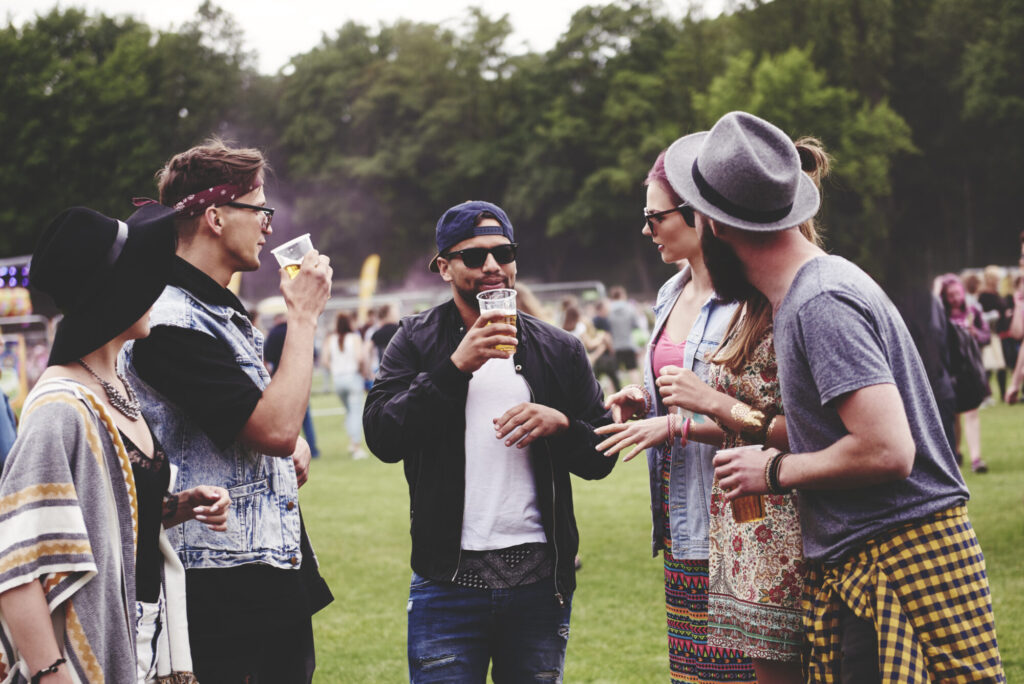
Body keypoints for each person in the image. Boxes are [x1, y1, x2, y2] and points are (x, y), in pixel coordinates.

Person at [676, 111, 1002, 681]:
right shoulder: (809, 293)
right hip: (869, 561)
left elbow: (887, 450)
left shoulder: (819, 301)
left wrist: (772, 470)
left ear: (716, 226)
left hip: (898, 564)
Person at [363, 200, 617, 683]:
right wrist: (455, 367)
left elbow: (601, 455)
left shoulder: (559, 348)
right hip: (447, 583)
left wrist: (562, 425)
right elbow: (382, 435)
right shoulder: (415, 339)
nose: (493, 267)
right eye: (474, 257)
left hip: (540, 586)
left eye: (503, 252)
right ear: (444, 267)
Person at [123, 138, 335, 683]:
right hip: (219, 591)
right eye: (259, 208)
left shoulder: (215, 310)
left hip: (263, 580)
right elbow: (274, 427)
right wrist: (304, 319)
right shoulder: (169, 322)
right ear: (216, 216)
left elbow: (268, 416)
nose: (269, 223)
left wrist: (298, 442)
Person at [0, 204, 230, 683]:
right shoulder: (60, 409)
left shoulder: (113, 385)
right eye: (144, 276)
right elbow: (16, 564)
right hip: (89, 660)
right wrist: (52, 675)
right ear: (113, 293)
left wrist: (174, 507)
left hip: (145, 633)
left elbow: (104, 516)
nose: (156, 289)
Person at [596, 149, 754, 683]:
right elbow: (676, 383)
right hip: (681, 524)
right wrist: (641, 399)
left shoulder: (749, 302)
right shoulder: (670, 291)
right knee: (693, 675)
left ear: (700, 213)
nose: (647, 230)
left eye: (655, 217)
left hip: (741, 523)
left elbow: (767, 416)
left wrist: (672, 425)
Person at [939, 273, 991, 473]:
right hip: (949, 371)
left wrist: (974, 333)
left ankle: (976, 459)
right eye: (950, 295)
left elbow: (987, 337)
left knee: (971, 411)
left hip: (970, 370)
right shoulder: (940, 314)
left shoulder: (973, 311)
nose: (955, 298)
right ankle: (956, 453)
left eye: (957, 293)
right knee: (953, 415)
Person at [265, 312, 321, 458]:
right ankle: (312, 449)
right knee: (306, 417)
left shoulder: (273, 334)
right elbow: (312, 353)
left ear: (276, 320)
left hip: (279, 379)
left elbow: (268, 357)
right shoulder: (297, 331)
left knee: (282, 419)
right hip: (299, 377)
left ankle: (285, 452)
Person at [324, 311, 369, 459]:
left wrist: (336, 369)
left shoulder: (330, 339)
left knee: (349, 412)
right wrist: (363, 371)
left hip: (338, 380)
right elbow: (359, 357)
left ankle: (352, 442)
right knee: (355, 413)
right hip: (352, 378)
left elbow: (325, 361)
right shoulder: (354, 338)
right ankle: (356, 447)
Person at [607, 285, 645, 385]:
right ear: (622, 295)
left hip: (614, 346)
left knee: (614, 373)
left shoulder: (608, 310)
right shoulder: (630, 308)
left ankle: (613, 395)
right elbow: (636, 326)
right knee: (632, 370)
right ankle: (637, 393)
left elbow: (608, 329)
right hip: (629, 344)